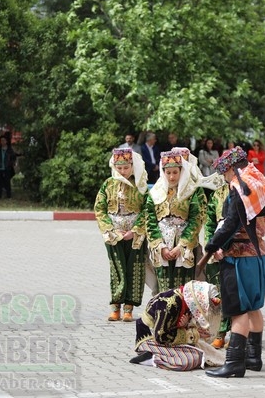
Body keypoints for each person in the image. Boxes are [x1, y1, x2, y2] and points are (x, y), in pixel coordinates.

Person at [202, 147, 265, 378]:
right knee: (253, 307)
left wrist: (213, 245)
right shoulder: (259, 183)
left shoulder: (239, 188)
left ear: (232, 169)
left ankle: (234, 363)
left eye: (224, 173)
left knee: (238, 310)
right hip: (258, 254)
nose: (224, 178)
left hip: (239, 257)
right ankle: (254, 357)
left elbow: (232, 223)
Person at [94, 148, 149, 322]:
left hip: (135, 236)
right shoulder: (108, 184)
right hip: (113, 235)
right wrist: (112, 230)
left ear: (132, 167)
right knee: (117, 268)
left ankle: (129, 308)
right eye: (119, 167)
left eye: (125, 167)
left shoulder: (140, 185)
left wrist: (135, 230)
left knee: (135, 268)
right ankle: (115, 306)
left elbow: (148, 209)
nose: (122, 171)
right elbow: (99, 209)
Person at [146, 149, 207, 292]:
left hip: (183, 245)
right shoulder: (155, 192)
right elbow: (149, 219)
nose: (172, 177)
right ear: (163, 172)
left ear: (182, 171)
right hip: (162, 245)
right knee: (163, 286)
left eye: (175, 172)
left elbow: (196, 219)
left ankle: (183, 314)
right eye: (168, 173)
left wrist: (182, 246)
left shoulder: (193, 191)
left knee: (183, 287)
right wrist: (161, 246)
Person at [130, 280, 223, 370]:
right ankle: (150, 359)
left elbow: (181, 326)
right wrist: (192, 333)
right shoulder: (170, 304)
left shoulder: (185, 300)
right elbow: (161, 337)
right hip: (150, 338)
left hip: (169, 337)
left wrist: (190, 328)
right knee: (190, 359)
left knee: (207, 351)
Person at [203, 180, 232, 349]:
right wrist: (212, 244)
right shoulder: (216, 194)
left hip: (236, 248)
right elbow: (209, 223)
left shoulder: (245, 191)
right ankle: (220, 332)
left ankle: (235, 333)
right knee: (217, 291)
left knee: (233, 292)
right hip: (217, 245)